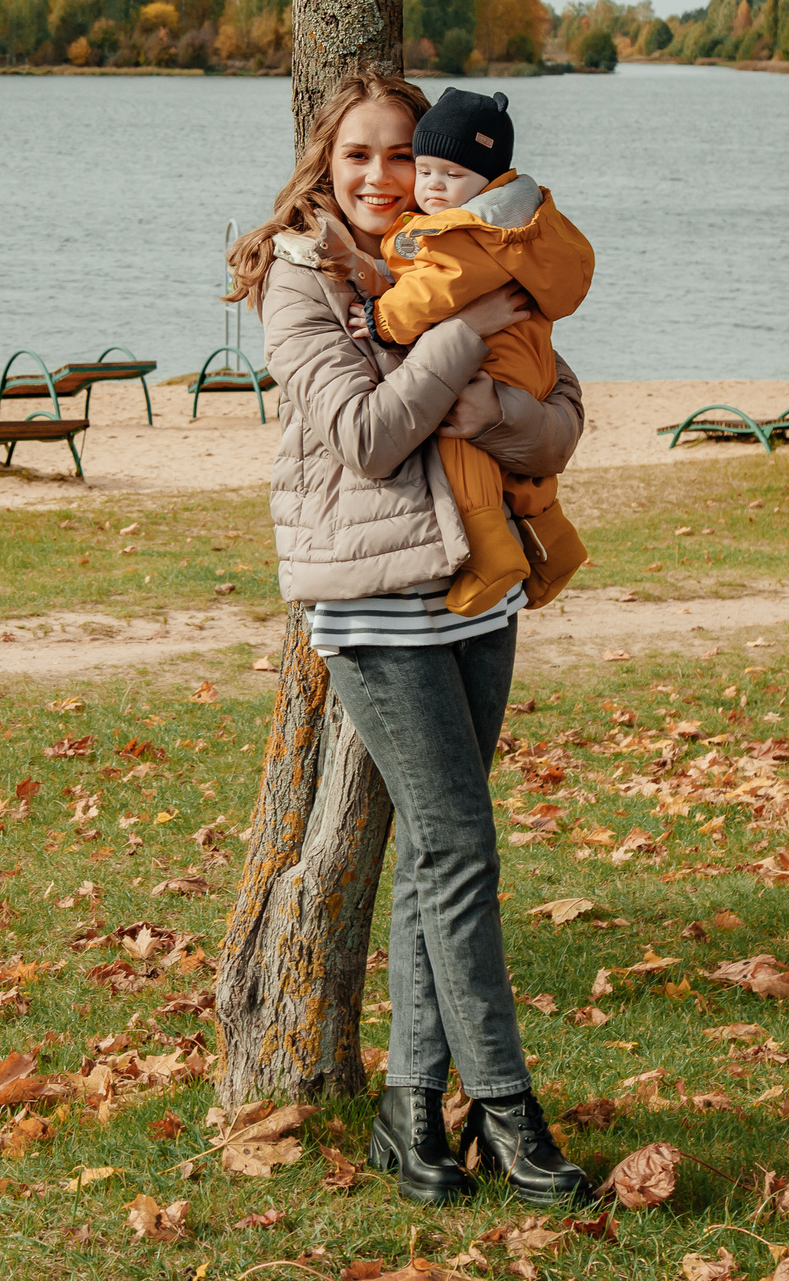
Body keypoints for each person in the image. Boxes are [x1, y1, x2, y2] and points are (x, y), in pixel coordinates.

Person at [225, 70, 597, 1209]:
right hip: (375, 608)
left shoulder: (469, 241)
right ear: (323, 169)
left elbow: (563, 417)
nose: (383, 179)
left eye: (401, 156)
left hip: (480, 596)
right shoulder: (301, 283)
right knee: (461, 846)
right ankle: (505, 1110)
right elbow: (367, 439)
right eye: (358, 159)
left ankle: (406, 1113)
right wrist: (467, 335)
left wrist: (504, 412)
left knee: (437, 859)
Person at [363, 87, 593, 616]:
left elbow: (436, 289)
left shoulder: (471, 230)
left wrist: (383, 320)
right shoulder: (524, 223)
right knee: (519, 471)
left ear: (487, 179)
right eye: (424, 170)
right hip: (530, 359)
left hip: (493, 361)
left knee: (460, 447)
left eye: (452, 174)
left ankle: (491, 555)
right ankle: (555, 547)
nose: (433, 186)